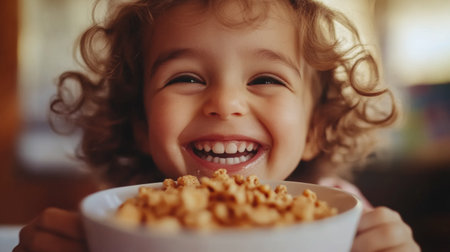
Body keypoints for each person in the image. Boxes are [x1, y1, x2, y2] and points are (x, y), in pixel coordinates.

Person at [14, 0, 420, 251]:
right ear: (139, 122)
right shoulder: (118, 220)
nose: (225, 104)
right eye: (185, 78)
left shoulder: (342, 216)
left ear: (315, 127)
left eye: (265, 79)